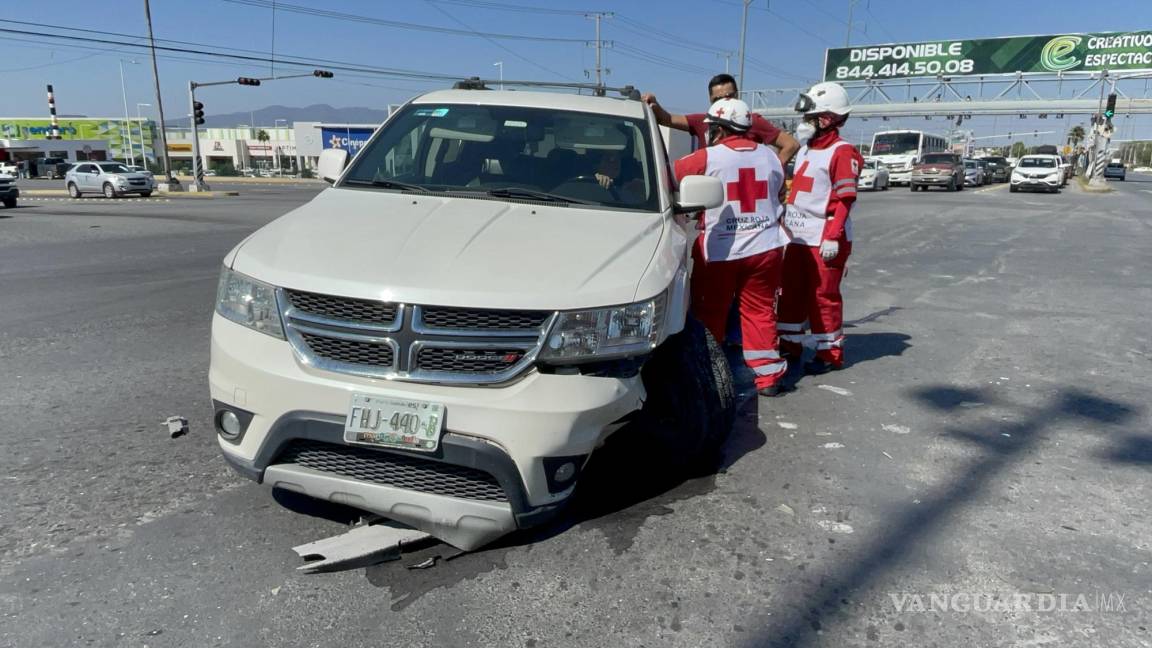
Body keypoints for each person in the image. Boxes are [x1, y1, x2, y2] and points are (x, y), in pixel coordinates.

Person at [673, 98, 792, 397]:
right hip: (766, 248)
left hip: (721, 251)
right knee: (760, 311)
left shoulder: (707, 157)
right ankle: (768, 378)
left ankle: (709, 375)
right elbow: (779, 195)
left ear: (720, 130)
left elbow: (667, 178)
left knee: (709, 312)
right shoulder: (770, 157)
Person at [778, 82, 864, 375]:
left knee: (823, 296)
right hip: (797, 236)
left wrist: (833, 236)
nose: (804, 124)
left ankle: (829, 353)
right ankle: (789, 345)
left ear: (826, 119)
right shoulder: (804, 151)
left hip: (825, 238)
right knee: (790, 293)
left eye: (809, 118)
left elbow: (844, 198)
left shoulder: (843, 152)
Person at [643, 73, 799, 165]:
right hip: (712, 195)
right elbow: (667, 119)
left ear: (737, 95)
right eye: (717, 99)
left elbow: (791, 145)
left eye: (729, 96)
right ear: (710, 99)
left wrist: (771, 173)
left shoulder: (752, 121)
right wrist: (655, 105)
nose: (725, 102)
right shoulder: (703, 121)